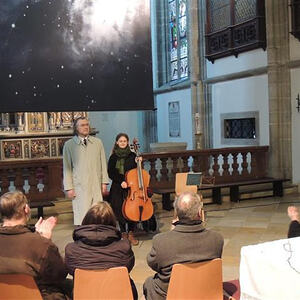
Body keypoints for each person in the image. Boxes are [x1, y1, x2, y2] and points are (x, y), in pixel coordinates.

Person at [143, 191, 224, 300]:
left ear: (176, 213)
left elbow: (153, 264)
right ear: (200, 213)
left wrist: (171, 232)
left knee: (149, 283)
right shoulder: (217, 239)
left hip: (172, 294)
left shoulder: (161, 241)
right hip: (204, 290)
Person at [0, 191, 68, 299]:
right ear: (26, 209)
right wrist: (45, 240)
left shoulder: (38, 242)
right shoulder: (41, 244)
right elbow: (60, 274)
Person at [65, 201, 138, 300]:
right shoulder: (124, 247)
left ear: (86, 221)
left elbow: (69, 270)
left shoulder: (71, 249)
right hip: (117, 296)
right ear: (112, 222)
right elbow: (128, 267)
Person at [63, 117, 109, 225]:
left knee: (98, 213)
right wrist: (69, 188)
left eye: (87, 125)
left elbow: (103, 163)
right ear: (76, 128)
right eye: (82, 125)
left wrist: (104, 183)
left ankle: (98, 236)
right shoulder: (69, 145)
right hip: (80, 185)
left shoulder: (97, 143)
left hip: (95, 184)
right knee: (82, 215)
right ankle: (84, 236)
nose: (85, 127)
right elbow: (67, 168)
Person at [107, 133, 139, 245]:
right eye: (120, 141)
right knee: (119, 208)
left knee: (132, 209)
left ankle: (131, 232)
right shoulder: (113, 157)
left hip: (131, 187)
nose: (122, 143)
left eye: (124, 141)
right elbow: (111, 172)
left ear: (127, 142)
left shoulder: (132, 155)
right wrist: (121, 181)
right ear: (117, 142)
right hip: (118, 186)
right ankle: (123, 232)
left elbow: (136, 172)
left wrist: (138, 163)